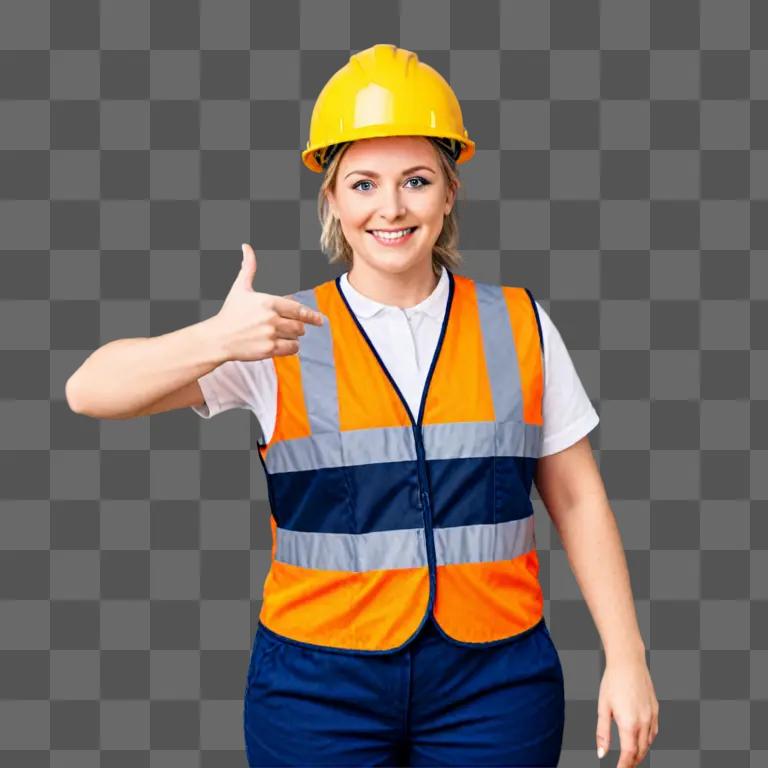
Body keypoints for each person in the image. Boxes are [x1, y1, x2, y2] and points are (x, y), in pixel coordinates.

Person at [66, 43, 659, 768]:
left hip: (495, 680)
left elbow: (578, 499)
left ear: (448, 193)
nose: (391, 207)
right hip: (317, 685)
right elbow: (88, 391)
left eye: (416, 180)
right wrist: (216, 338)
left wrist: (626, 658)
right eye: (364, 183)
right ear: (333, 200)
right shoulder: (273, 333)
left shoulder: (520, 324)